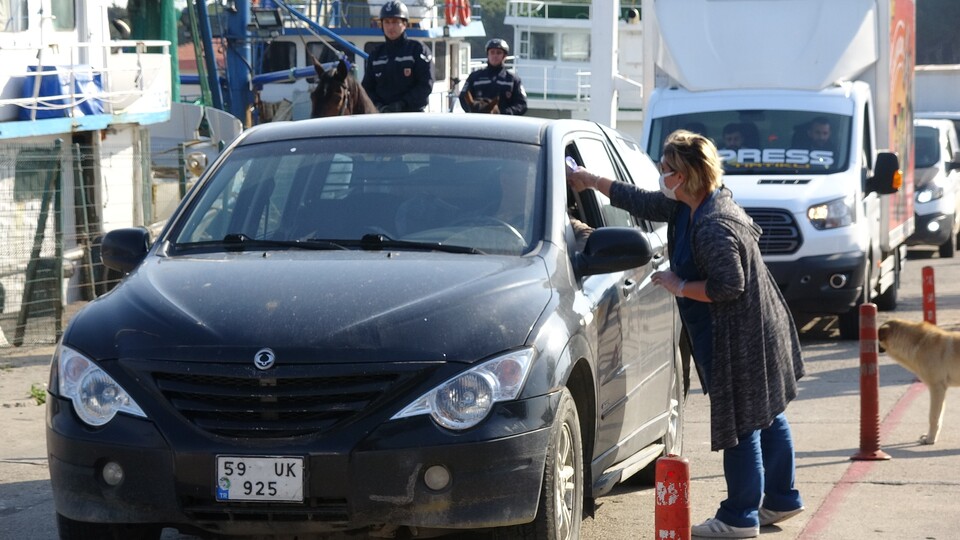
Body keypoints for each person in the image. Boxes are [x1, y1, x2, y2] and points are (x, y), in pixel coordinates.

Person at [567, 130, 805, 539]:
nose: (662, 175)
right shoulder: (689, 204)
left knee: (742, 424)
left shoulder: (713, 224)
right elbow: (640, 200)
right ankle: (780, 499)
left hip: (740, 336)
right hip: (758, 327)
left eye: (667, 169)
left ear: (688, 175)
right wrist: (590, 180)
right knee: (767, 413)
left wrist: (679, 285)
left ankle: (739, 517)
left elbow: (729, 285)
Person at [361, 0, 434, 113]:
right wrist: (378, 105)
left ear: (404, 24)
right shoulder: (376, 55)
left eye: (395, 22)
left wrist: (402, 104)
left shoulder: (417, 50)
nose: (391, 27)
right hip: (381, 117)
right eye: (387, 22)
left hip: (412, 116)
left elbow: (425, 85)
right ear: (382, 25)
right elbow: (367, 88)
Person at [458, 38, 528, 115]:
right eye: (492, 52)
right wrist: (474, 110)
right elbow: (463, 97)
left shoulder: (513, 80)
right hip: (478, 120)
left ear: (504, 56)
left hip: (504, 122)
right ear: (488, 55)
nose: (495, 56)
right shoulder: (475, 77)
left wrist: (504, 113)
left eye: (498, 53)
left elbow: (522, 104)